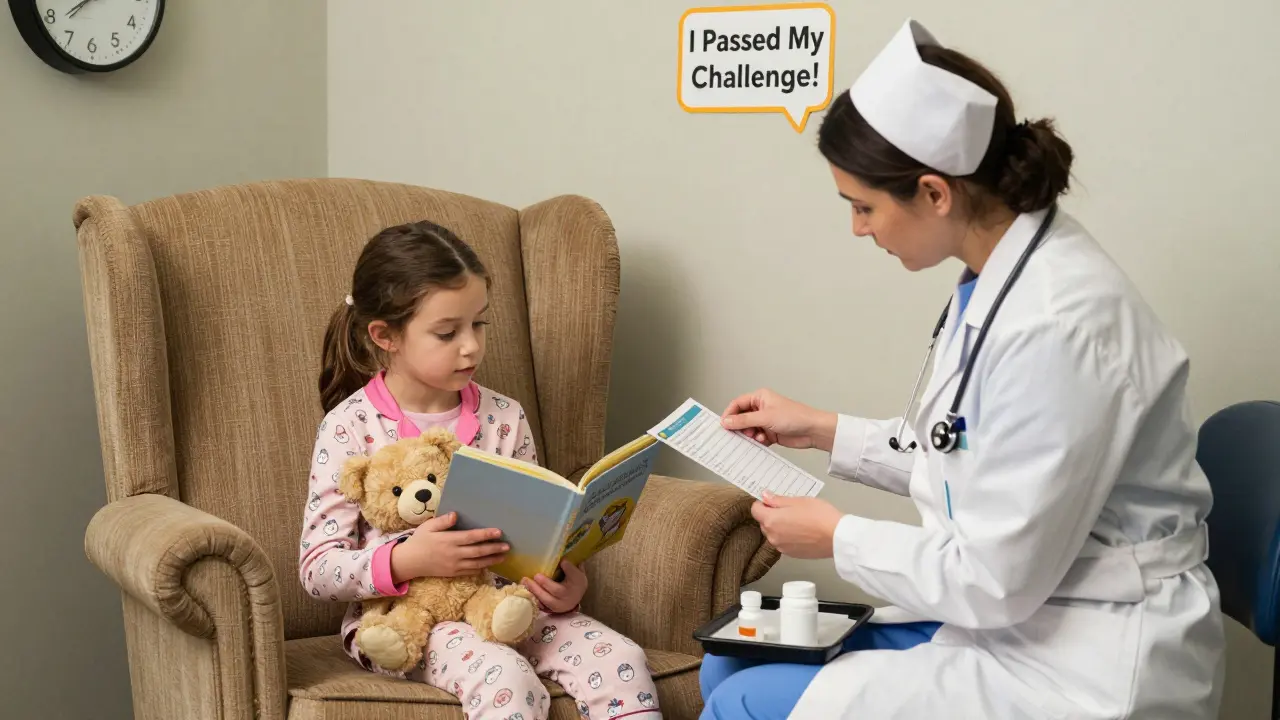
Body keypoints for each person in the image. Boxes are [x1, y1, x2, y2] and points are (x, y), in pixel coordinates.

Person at [699, 18, 1225, 720]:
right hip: (1028, 608)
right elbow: (967, 452)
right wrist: (820, 429)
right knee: (728, 658)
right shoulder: (1003, 272)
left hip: (1085, 651)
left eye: (864, 207)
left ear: (935, 192)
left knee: (741, 700)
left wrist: (837, 538)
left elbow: (993, 578)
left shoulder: (1056, 327)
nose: (859, 229)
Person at [298, 221, 660, 720]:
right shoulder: (349, 427)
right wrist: (406, 560)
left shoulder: (505, 416)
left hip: (509, 605)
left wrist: (564, 581)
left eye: (479, 324)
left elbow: (536, 531)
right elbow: (317, 568)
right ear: (385, 336)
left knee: (622, 659)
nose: (470, 346)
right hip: (407, 623)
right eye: (447, 332)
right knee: (507, 680)